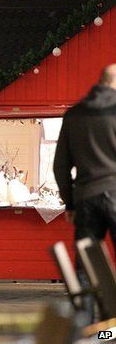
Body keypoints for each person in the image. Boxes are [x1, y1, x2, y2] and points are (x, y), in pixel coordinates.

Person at [54, 64, 116, 318]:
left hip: (87, 198)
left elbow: (60, 166)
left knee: (86, 266)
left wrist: (70, 204)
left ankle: (88, 329)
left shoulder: (74, 114)